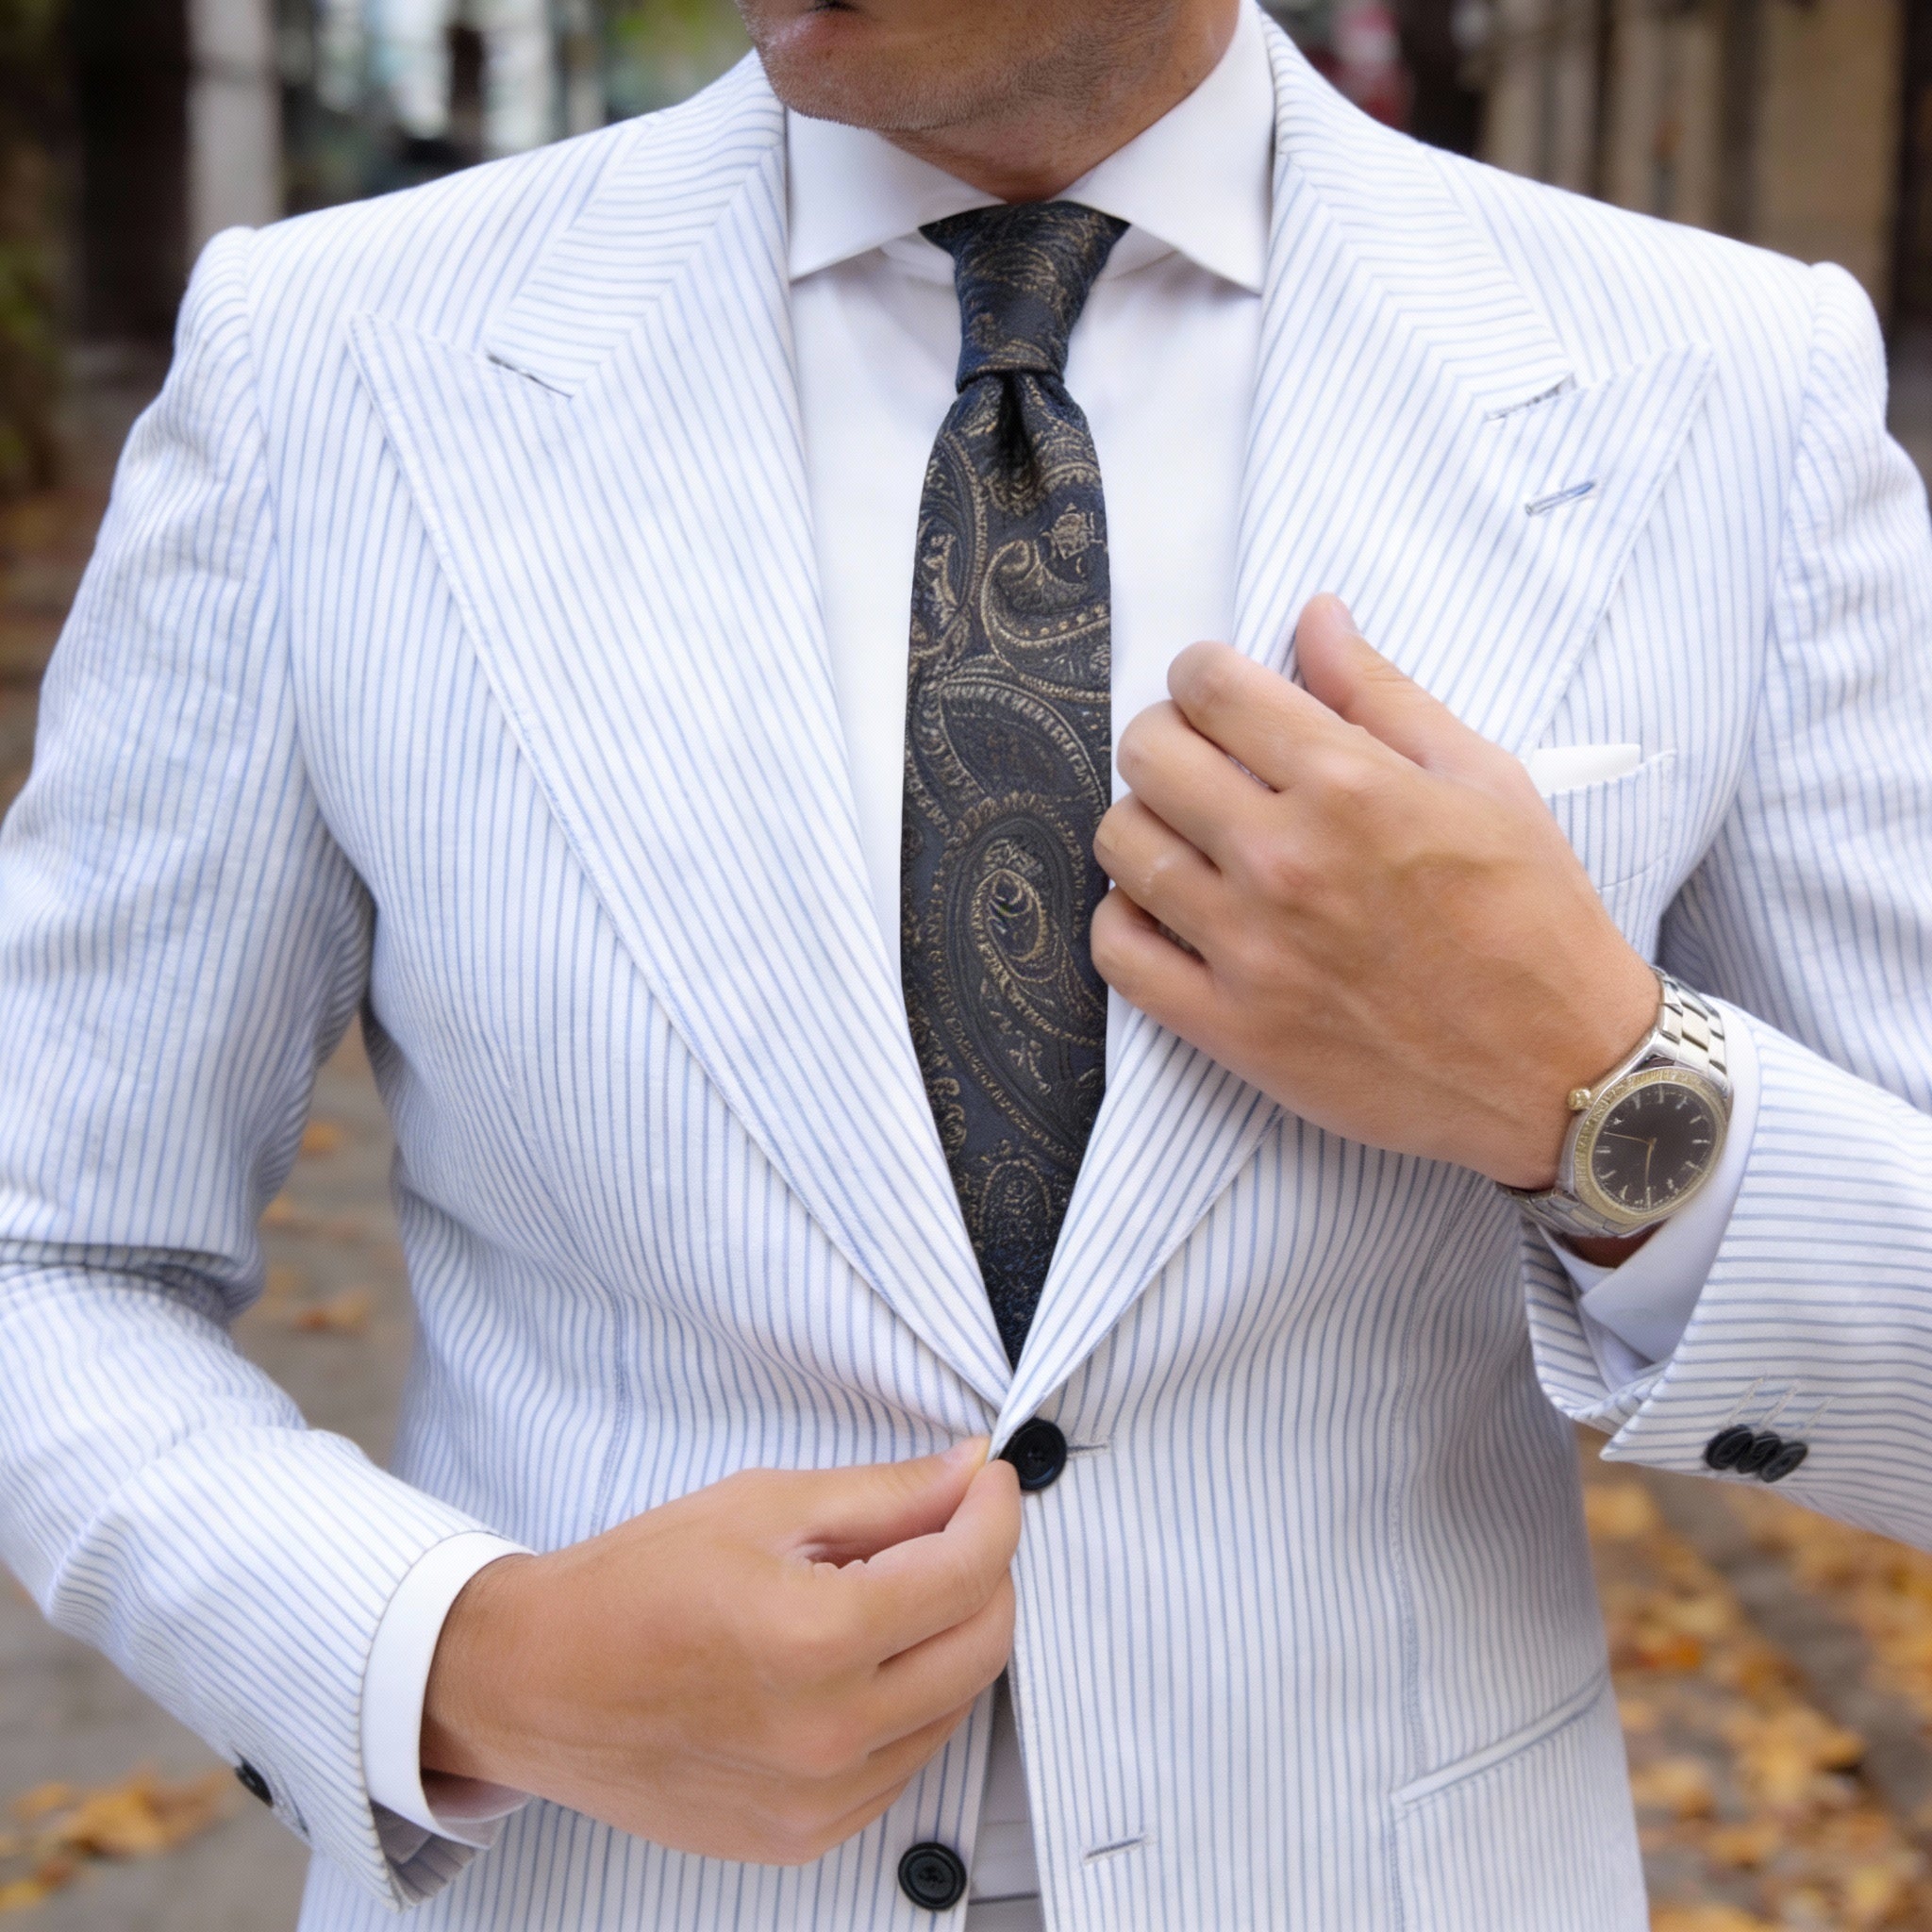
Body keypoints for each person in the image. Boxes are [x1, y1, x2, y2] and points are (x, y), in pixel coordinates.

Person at [0, 0, 1927, 1924]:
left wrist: (1593, 1082)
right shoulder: (326, 363)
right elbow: (49, 1248)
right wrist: (462, 1661)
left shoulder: (1721, 387)